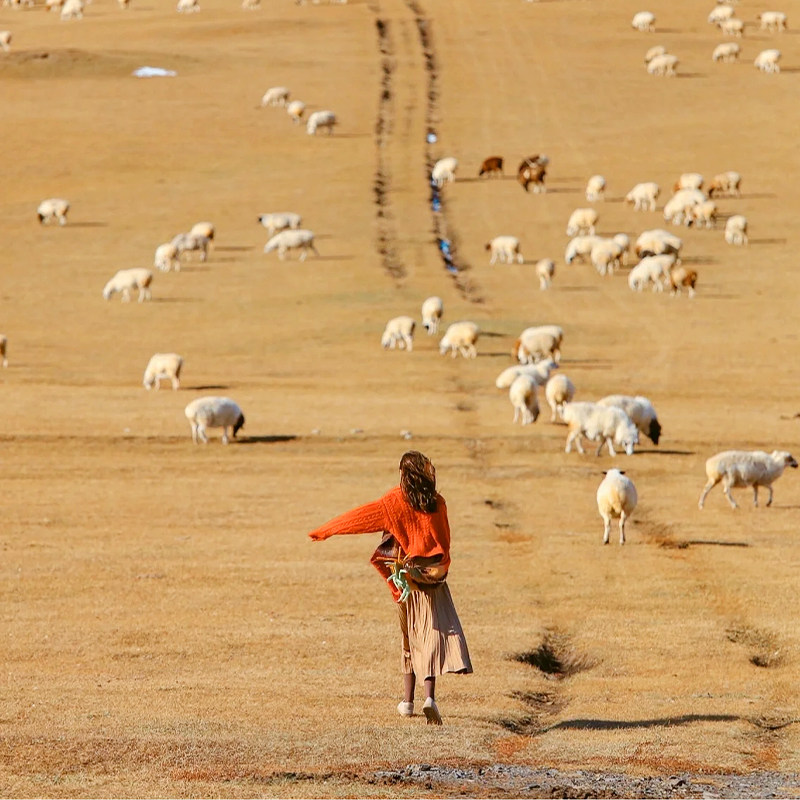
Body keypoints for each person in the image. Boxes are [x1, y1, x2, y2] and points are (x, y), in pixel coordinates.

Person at [308, 451, 472, 725]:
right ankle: (429, 698)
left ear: (404, 476)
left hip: (404, 581)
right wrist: (439, 567)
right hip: (432, 579)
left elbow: (359, 518)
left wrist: (327, 530)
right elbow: (445, 542)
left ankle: (408, 702)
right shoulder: (438, 503)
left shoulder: (393, 502)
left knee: (409, 639)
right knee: (430, 637)